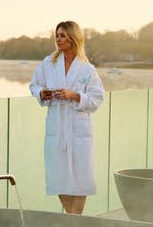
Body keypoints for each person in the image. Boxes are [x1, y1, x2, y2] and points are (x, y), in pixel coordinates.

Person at [29, 21, 104, 215]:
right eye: (57, 35)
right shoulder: (48, 63)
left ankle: (74, 222)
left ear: (73, 37)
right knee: (58, 177)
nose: (58, 39)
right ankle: (74, 221)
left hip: (78, 127)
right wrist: (42, 93)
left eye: (62, 35)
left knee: (81, 178)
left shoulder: (87, 69)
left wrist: (74, 95)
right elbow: (34, 85)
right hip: (57, 125)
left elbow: (97, 99)